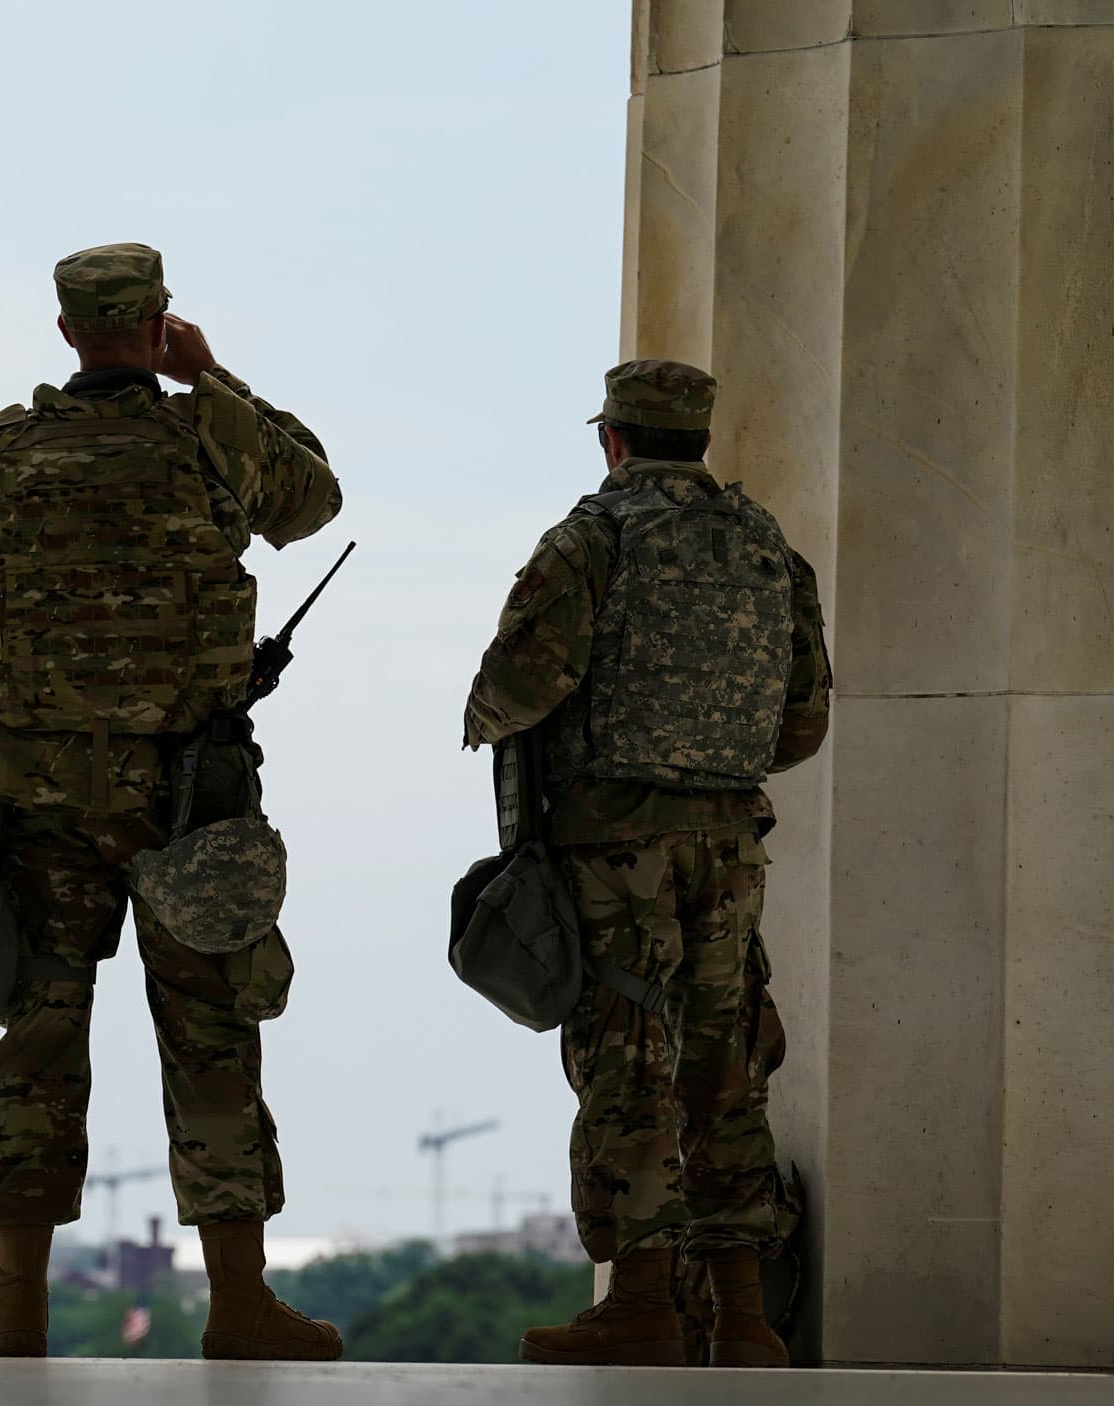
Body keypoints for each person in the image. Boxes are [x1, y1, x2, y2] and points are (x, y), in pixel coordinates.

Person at [0, 243, 343, 1361]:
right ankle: (238, 1302)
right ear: (158, 325)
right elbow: (312, 498)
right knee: (211, 1036)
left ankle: (18, 1304)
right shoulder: (205, 440)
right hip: (189, 791)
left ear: (64, 331)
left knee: (36, 1041)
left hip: (31, 796)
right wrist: (212, 373)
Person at [462, 359, 832, 1369]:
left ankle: (637, 1301)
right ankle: (743, 1314)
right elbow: (802, 721)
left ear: (611, 439)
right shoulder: (767, 548)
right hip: (728, 843)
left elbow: (515, 687)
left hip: (613, 846)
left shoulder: (590, 539)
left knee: (627, 1055)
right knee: (724, 1059)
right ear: (699, 440)